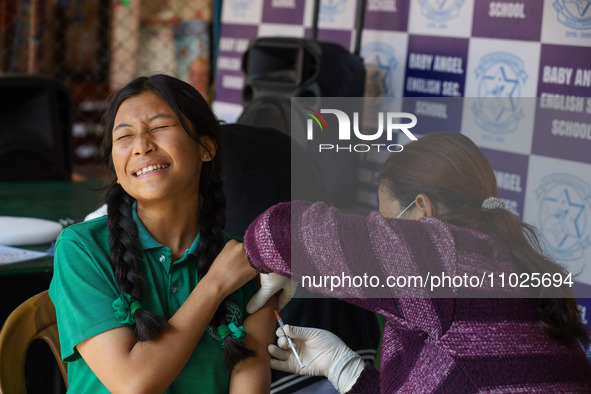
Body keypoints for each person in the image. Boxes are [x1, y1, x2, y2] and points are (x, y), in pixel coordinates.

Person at [241, 132, 591, 393]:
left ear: (423, 208)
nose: (384, 230)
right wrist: (345, 370)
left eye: (388, 220)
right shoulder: (495, 259)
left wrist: (274, 262)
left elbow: (279, 230)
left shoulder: (445, 259)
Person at [49, 74, 275, 393]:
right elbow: (132, 383)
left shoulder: (244, 264)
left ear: (205, 148)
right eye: (124, 136)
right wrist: (215, 285)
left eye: (160, 127)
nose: (141, 145)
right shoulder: (82, 248)